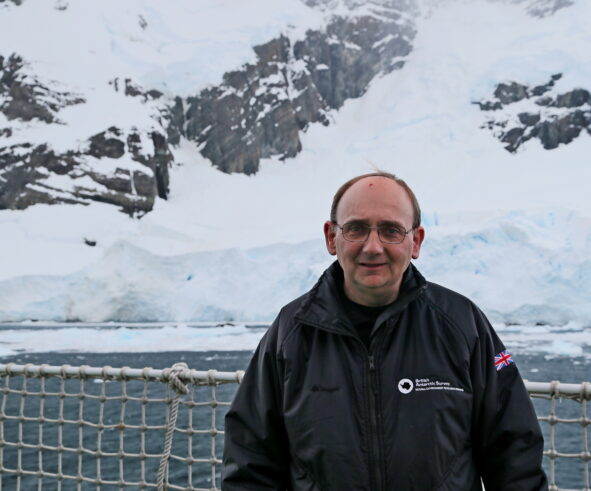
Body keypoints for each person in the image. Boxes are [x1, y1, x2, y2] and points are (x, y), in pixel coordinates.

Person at [222, 172, 548, 490]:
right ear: (330, 238)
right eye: (356, 229)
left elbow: (514, 453)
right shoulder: (291, 334)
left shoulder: (462, 325)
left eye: (391, 230)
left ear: (415, 241)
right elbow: (252, 462)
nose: (373, 246)